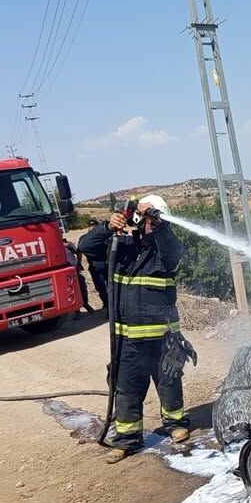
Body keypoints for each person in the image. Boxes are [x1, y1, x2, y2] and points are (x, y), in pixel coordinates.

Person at [78, 194, 196, 463]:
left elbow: (172, 251)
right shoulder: (121, 247)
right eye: (146, 218)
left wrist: (159, 223)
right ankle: (127, 440)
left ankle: (176, 425)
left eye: (154, 219)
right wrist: (108, 227)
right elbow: (87, 246)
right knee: (126, 389)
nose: (149, 223)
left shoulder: (167, 251)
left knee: (169, 383)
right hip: (127, 339)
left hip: (164, 338)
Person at [78, 223, 110, 311]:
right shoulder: (85, 239)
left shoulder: (102, 237)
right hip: (95, 268)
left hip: (107, 265)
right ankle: (107, 304)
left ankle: (110, 306)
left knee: (110, 287)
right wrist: (79, 263)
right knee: (100, 288)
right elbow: (79, 251)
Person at [63, 239, 95, 315]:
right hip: (65, 273)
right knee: (72, 290)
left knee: (83, 288)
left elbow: (78, 253)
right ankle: (77, 310)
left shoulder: (69, 244)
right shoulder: (54, 245)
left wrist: (79, 263)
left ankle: (85, 304)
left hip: (76, 270)